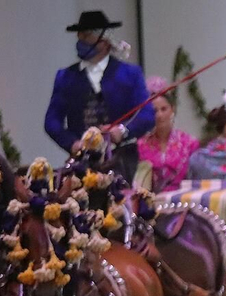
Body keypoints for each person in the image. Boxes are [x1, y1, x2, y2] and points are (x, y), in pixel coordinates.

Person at [44, 10, 154, 183]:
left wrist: (122, 131)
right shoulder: (65, 77)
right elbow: (52, 121)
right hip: (82, 164)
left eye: (86, 36)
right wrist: (72, 143)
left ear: (104, 41)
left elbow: (147, 115)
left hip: (122, 162)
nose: (80, 40)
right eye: (79, 36)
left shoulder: (130, 74)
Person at [136, 76, 199, 192]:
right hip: (150, 204)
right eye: (154, 111)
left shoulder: (189, 143)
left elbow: (196, 179)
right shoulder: (140, 145)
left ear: (172, 109)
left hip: (183, 202)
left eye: (164, 109)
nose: (159, 115)